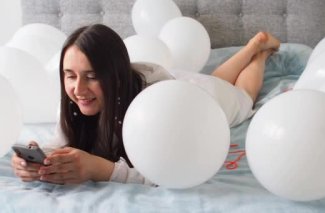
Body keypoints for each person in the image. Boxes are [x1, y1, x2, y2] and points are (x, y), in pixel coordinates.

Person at [11, 24, 280, 185]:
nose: (78, 89)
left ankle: (261, 53)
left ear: (114, 74)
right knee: (213, 79)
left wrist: (98, 169)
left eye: (92, 76)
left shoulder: (150, 107)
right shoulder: (75, 100)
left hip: (195, 106)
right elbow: (60, 141)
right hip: (180, 87)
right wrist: (36, 157)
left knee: (242, 95)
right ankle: (250, 48)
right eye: (70, 75)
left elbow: (166, 172)